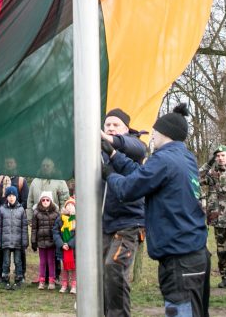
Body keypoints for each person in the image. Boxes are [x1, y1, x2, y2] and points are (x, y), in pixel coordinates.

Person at [104, 103, 210, 317]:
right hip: (196, 253)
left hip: (179, 258)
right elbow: (143, 174)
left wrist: (109, 173)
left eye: (154, 133)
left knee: (181, 312)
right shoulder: (185, 157)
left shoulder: (163, 159)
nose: (152, 138)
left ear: (164, 134)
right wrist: (115, 156)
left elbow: (128, 188)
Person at [100, 107, 148, 316]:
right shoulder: (98, 150)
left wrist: (112, 146)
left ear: (126, 129)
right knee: (101, 274)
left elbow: (136, 148)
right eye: (107, 125)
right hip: (106, 223)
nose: (110, 128)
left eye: (115, 125)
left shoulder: (135, 145)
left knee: (114, 267)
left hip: (130, 223)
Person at [200, 144, 226, 290]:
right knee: (222, 251)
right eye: (217, 156)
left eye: (222, 155)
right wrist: (209, 163)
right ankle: (225, 277)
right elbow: (195, 177)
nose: (220, 158)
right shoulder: (212, 174)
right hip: (218, 219)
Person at [0, 158, 29, 280]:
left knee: (20, 255)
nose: (9, 165)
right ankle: (3, 275)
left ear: (16, 164)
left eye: (11, 162)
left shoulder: (21, 180)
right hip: (3, 216)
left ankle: (21, 275)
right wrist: (1, 210)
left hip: (18, 218)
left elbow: (25, 200)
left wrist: (17, 211)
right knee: (4, 253)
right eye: (7, 162)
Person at [0, 185, 28, 290]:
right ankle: (5, 279)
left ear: (16, 196)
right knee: (6, 261)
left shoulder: (21, 210)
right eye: (9, 195)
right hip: (6, 242)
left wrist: (24, 242)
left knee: (18, 261)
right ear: (6, 197)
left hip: (17, 242)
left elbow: (24, 228)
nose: (11, 197)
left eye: (13, 195)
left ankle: (18, 279)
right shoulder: (2, 209)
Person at [54, 196, 77, 294]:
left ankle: (74, 285)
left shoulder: (76, 219)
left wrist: (70, 244)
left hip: (73, 249)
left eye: (72, 205)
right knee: (65, 267)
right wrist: (61, 244)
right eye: (68, 205)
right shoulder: (60, 219)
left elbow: (79, 234)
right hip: (62, 248)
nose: (70, 207)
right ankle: (64, 284)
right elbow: (55, 232)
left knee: (74, 267)